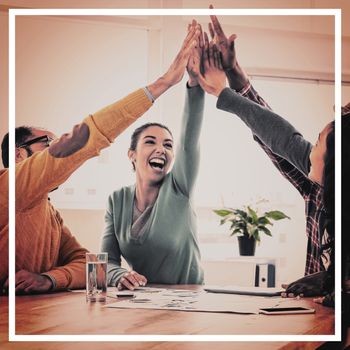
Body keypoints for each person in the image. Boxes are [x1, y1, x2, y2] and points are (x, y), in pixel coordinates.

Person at [0, 24, 199, 294]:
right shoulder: (12, 185)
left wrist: (49, 278)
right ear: (18, 155)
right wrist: (162, 84)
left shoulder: (49, 213)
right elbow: (91, 135)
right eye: (48, 143)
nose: (57, 145)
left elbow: (89, 264)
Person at [190, 11, 340, 301]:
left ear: (335, 160)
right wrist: (234, 76)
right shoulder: (319, 189)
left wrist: (330, 280)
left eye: (319, 141)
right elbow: (277, 139)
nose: (310, 148)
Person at [101, 22, 206, 291]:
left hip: (189, 303)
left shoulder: (179, 186)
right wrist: (118, 276)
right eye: (151, 142)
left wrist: (194, 84)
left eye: (168, 145)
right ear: (132, 155)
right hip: (143, 302)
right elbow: (107, 261)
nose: (162, 149)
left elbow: (189, 142)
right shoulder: (117, 200)